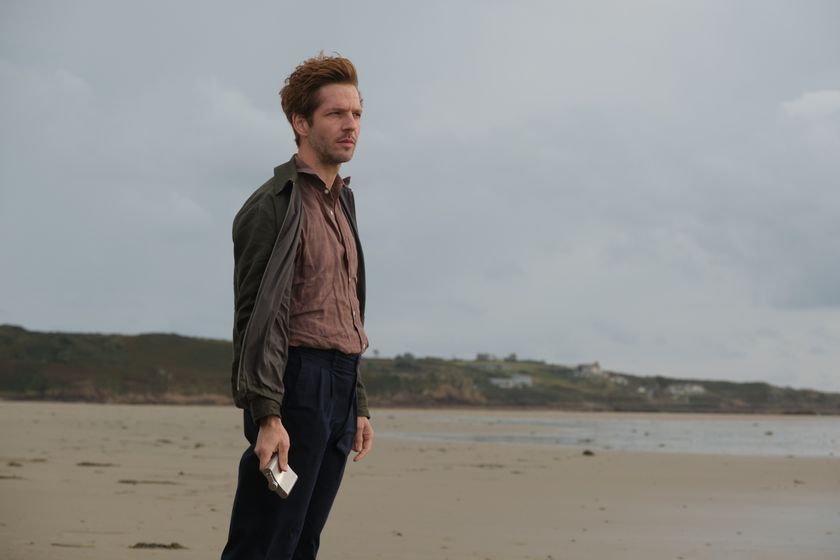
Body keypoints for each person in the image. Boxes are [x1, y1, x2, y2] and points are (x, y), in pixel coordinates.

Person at [221, 53, 374, 560]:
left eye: (356, 113)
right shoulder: (272, 206)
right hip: (296, 385)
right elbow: (254, 321)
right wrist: (266, 415)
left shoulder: (343, 202)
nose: (350, 125)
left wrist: (358, 403)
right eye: (336, 114)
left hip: (339, 388)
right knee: (266, 540)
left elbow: (344, 309)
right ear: (301, 122)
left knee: (303, 541)